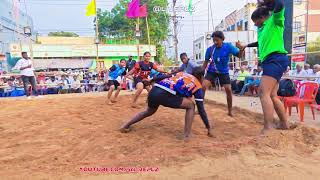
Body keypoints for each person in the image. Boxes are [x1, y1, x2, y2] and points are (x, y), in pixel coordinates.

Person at [236, 0, 292, 134]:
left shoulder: (275, 21)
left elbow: (280, 5)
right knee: (272, 95)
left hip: (276, 59)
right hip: (270, 61)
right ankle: (284, 123)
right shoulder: (262, 29)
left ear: (262, 18)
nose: (254, 24)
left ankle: (268, 127)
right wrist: (245, 46)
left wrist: (268, 2)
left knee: (263, 92)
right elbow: (259, 43)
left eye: (255, 21)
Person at [120, 67, 213, 141]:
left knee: (149, 111)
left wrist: (150, 80)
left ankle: (125, 125)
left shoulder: (182, 74)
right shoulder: (197, 85)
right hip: (165, 94)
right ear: (201, 77)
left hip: (154, 90)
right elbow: (201, 109)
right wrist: (208, 127)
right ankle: (186, 135)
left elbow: (164, 76)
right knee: (191, 106)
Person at [202, 31, 244, 116]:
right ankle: (200, 108)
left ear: (222, 39)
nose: (215, 42)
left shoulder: (228, 46)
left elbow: (239, 56)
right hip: (212, 71)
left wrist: (241, 49)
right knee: (203, 86)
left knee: (228, 90)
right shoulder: (210, 49)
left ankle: (230, 111)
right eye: (214, 40)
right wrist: (201, 74)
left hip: (223, 72)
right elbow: (205, 62)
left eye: (217, 40)